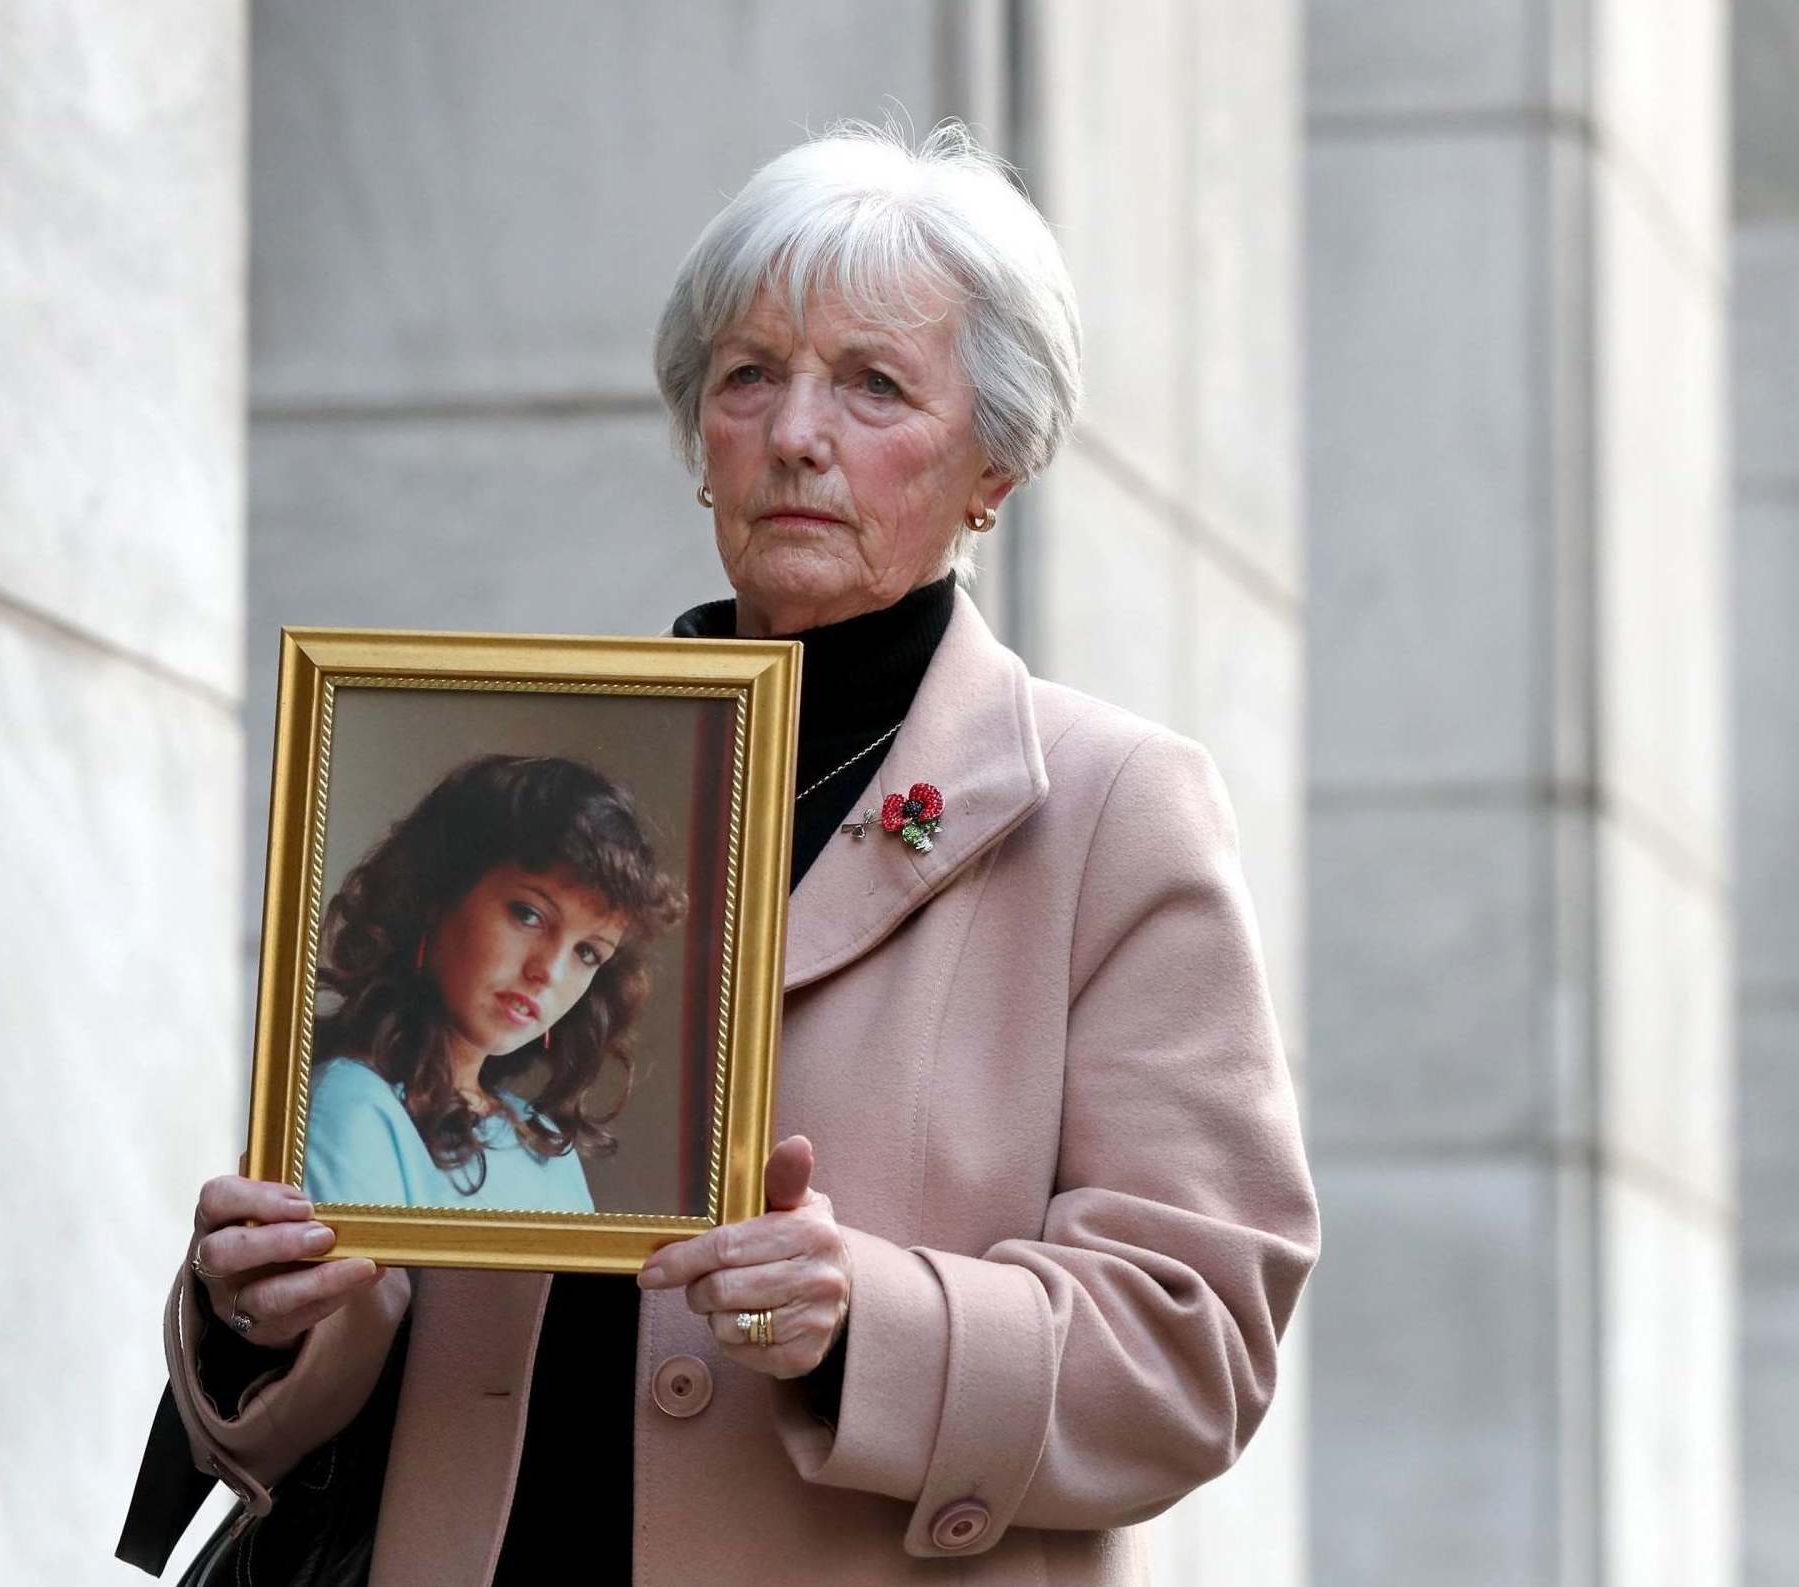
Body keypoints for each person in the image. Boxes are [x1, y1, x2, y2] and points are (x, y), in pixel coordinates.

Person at [124, 119, 1320, 1586]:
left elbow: (1194, 1336)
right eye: (750, 376)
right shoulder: (539, 778)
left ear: (992, 467)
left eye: (875, 384)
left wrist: (866, 1322)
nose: (798, 431)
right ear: (701, 438)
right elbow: (406, 1279)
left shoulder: (1110, 806)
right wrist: (275, 1297)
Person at [301, 753, 685, 1214]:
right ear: (435, 896)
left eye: (588, 953)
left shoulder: (541, 1140)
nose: (549, 972)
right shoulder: (352, 1107)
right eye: (528, 915)